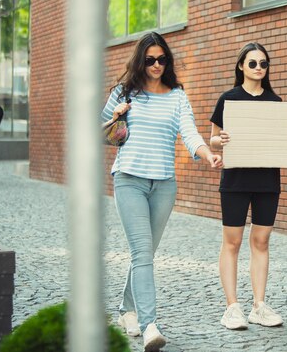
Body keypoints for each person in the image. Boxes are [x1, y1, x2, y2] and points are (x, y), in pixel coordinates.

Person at [101, 32, 222, 352]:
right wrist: (115, 116)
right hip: (129, 180)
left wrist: (207, 154)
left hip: (164, 185)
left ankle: (126, 310)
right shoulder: (124, 92)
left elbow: (190, 133)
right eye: (150, 59)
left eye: (162, 59)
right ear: (141, 61)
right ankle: (148, 324)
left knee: (146, 253)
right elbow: (100, 133)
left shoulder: (177, 96)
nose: (156, 65)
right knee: (142, 252)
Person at [209, 42, 287, 330]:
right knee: (233, 242)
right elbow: (212, 139)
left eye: (263, 64)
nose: (259, 68)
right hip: (236, 181)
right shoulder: (228, 99)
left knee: (261, 242)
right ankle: (232, 307)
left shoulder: (275, 103)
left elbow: (285, 141)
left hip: (267, 182)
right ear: (241, 66)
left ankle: (259, 306)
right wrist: (220, 141)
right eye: (253, 63)